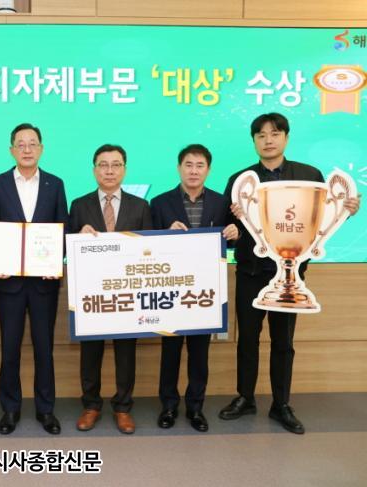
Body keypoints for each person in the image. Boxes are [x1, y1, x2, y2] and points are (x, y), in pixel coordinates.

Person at [219, 113, 361, 434]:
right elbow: (231, 229)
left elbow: (321, 219)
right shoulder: (241, 180)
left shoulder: (309, 176)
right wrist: (234, 227)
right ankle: (245, 397)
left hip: (290, 278)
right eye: (261, 135)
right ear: (254, 141)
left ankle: (281, 404)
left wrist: (346, 211)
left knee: (283, 341)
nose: (268, 140)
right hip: (251, 273)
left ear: (286, 137)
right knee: (247, 340)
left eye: (275, 133)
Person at [150, 144, 239, 433]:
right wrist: (165, 235)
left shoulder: (221, 203)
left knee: (200, 353)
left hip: (205, 291)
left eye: (200, 165)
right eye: (188, 165)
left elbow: (233, 239)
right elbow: (146, 246)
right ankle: (168, 406)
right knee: (170, 352)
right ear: (179, 168)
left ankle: (195, 407)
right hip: (170, 289)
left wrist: (235, 232)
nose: (193, 171)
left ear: (208, 170)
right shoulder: (160, 203)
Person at [0, 123, 68, 435]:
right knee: (10, 348)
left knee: (44, 349)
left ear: (41, 149)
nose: (27, 149)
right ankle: (10, 408)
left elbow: (62, 225)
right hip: (10, 283)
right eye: (21, 144)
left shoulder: (55, 184)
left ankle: (46, 410)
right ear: (12, 150)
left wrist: (55, 260)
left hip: (44, 282)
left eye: (33, 143)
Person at [68, 144, 152, 434]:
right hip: (91, 293)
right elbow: (67, 247)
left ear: (124, 170)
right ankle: (91, 405)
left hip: (128, 294)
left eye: (116, 165)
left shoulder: (141, 206)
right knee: (90, 351)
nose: (109, 170)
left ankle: (123, 407)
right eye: (103, 165)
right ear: (94, 170)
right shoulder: (79, 205)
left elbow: (150, 251)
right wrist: (77, 237)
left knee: (126, 352)